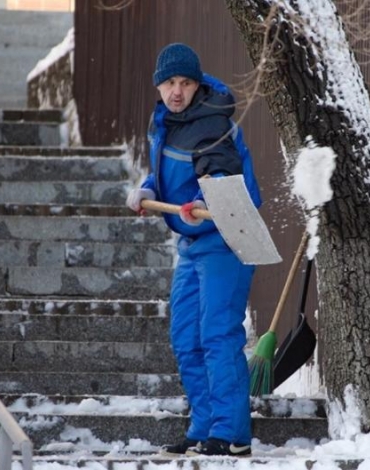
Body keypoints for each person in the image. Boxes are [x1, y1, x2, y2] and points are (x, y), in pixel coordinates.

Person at [126, 43, 260, 458]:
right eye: (169, 83)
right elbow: (168, 173)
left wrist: (210, 195)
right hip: (193, 243)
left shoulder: (210, 123)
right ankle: (204, 427)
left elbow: (219, 172)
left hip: (226, 240)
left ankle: (232, 432)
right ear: (159, 85)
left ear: (197, 84)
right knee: (186, 336)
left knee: (217, 334)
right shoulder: (166, 120)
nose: (177, 91)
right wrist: (149, 189)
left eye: (185, 82)